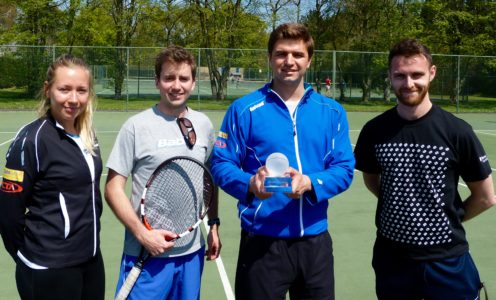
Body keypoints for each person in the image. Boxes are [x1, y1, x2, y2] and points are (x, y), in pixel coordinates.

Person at [211, 23, 355, 300]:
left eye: (298, 55)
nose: (289, 61)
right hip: (262, 244)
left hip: (315, 243)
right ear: (270, 58)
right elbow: (221, 163)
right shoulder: (243, 110)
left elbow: (344, 168)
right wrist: (251, 184)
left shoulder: (332, 112)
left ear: (309, 60)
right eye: (281, 54)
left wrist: (310, 182)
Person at [354, 38, 495, 299]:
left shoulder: (457, 131)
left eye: (417, 74)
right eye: (400, 76)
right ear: (390, 77)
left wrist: (447, 217)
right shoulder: (374, 130)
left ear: (431, 73)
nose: (409, 84)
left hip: (447, 262)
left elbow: (486, 197)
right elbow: (372, 180)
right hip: (392, 260)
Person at [104, 45, 221, 300]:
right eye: (169, 78)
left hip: (191, 254)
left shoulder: (203, 124)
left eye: (183, 78)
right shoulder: (136, 126)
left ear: (192, 83)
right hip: (147, 254)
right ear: (157, 81)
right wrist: (142, 234)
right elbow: (112, 188)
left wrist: (213, 224)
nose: (176, 85)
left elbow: (208, 180)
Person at [0, 54, 105, 300]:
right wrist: (29, 257)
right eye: (64, 89)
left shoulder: (88, 134)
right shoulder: (32, 140)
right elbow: (8, 213)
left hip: (89, 259)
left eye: (81, 90)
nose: (73, 99)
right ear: (48, 90)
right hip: (50, 267)